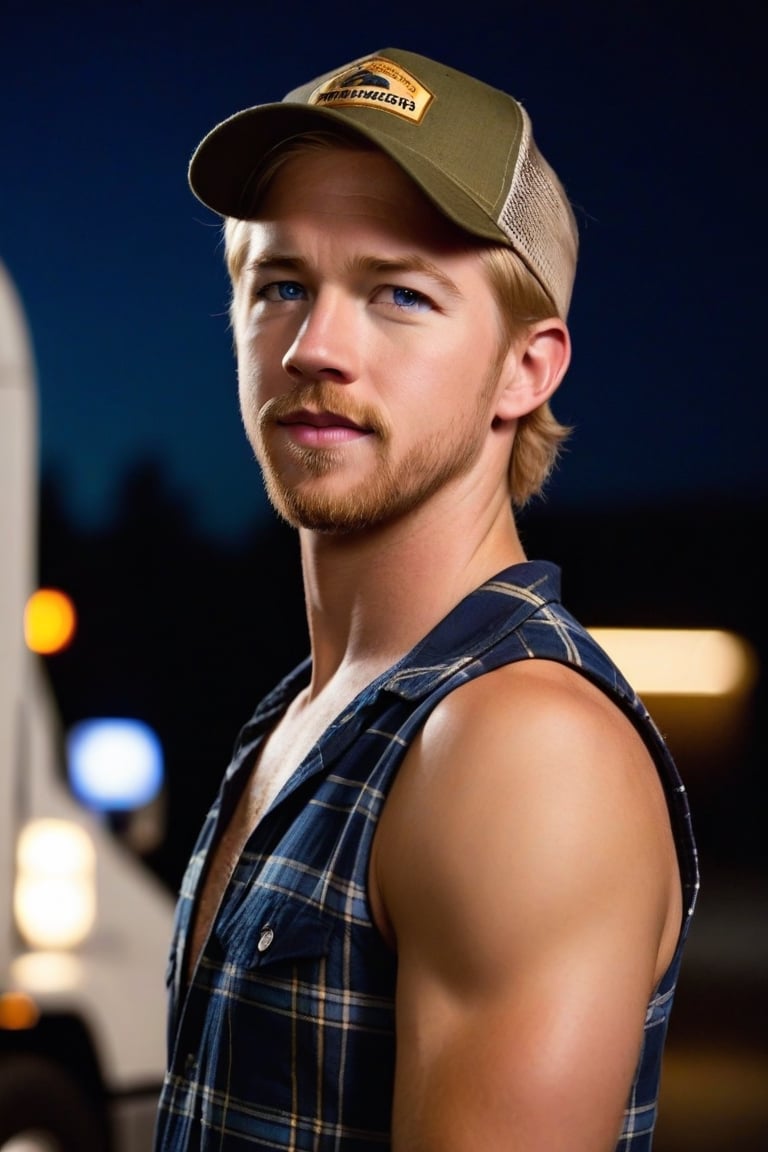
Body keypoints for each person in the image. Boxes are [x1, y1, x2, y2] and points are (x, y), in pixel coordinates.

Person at [154, 47, 699, 1152]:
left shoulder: (520, 749)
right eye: (282, 286)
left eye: (398, 293)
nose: (315, 349)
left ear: (525, 370)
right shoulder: (304, 712)